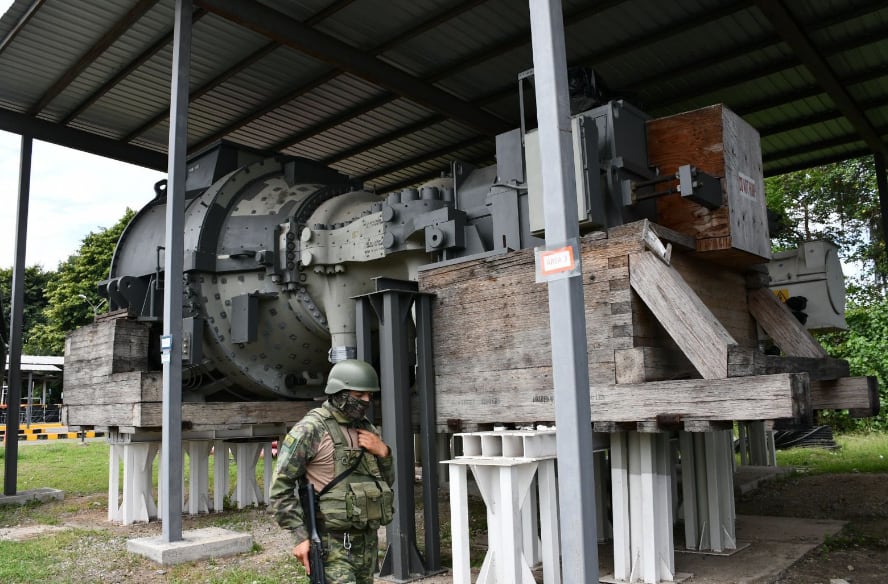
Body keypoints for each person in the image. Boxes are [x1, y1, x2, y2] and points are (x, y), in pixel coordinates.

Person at [270, 359, 394, 584]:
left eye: (369, 396)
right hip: (331, 544)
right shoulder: (310, 429)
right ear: (339, 392)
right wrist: (299, 537)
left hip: (367, 543)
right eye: (358, 396)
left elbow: (385, 481)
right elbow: (280, 487)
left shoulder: (366, 428)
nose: (366, 401)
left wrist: (383, 452)